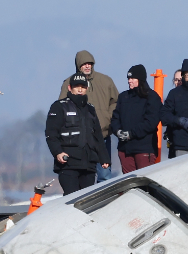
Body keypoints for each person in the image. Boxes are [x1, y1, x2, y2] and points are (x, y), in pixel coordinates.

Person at [47, 73, 110, 196]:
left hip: (89, 165)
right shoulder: (59, 106)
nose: (80, 89)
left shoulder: (91, 109)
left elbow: (97, 136)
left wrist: (104, 157)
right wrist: (57, 152)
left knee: (86, 200)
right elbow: (51, 133)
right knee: (71, 199)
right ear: (70, 88)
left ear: (87, 88)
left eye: (83, 86)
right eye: (77, 86)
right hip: (68, 164)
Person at [59, 51, 118, 182]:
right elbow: (62, 106)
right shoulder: (69, 83)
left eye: (89, 63)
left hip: (102, 135)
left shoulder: (105, 81)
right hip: (78, 140)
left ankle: (105, 201)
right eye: (84, 64)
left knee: (104, 175)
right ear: (78, 65)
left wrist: (108, 118)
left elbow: (116, 102)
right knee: (84, 177)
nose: (87, 66)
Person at [110, 65, 162, 173]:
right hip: (125, 149)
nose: (130, 81)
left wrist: (131, 133)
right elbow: (115, 118)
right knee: (128, 185)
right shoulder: (123, 96)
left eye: (133, 78)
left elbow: (151, 122)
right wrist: (118, 131)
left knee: (144, 182)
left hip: (144, 148)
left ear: (140, 79)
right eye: (128, 78)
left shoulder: (152, 97)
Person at [166, 69, 182, 159]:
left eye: (180, 79)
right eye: (176, 80)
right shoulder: (171, 96)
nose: (178, 82)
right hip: (173, 142)